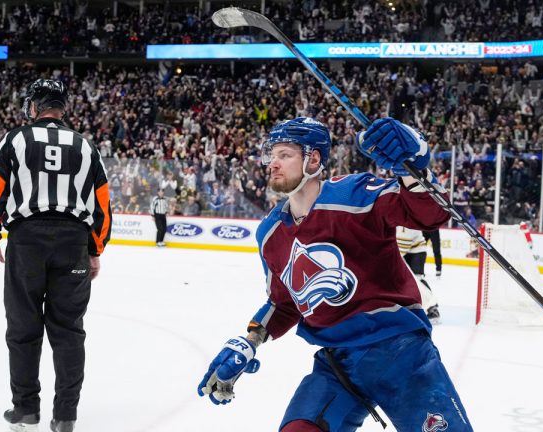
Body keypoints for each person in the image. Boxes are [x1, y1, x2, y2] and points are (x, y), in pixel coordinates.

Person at [197, 117, 473, 432]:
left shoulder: (354, 194)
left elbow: (429, 214)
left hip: (399, 351)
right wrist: (249, 342)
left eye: (285, 154)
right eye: (271, 155)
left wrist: (414, 166)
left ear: (313, 159)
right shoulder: (270, 233)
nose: (273, 163)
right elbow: (283, 303)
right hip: (336, 365)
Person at [0, 78, 112, 432]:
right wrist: (94, 249)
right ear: (61, 108)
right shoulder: (86, 146)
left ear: (34, 107)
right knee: (69, 332)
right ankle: (65, 416)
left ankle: (26, 411)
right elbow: (103, 206)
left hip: (27, 241)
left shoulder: (15, 139)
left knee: (23, 328)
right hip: (73, 243)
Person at [398, 226, 440, 321]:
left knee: (417, 280)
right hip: (403, 249)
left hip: (417, 250)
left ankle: (432, 307)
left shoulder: (402, 223)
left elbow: (403, 243)